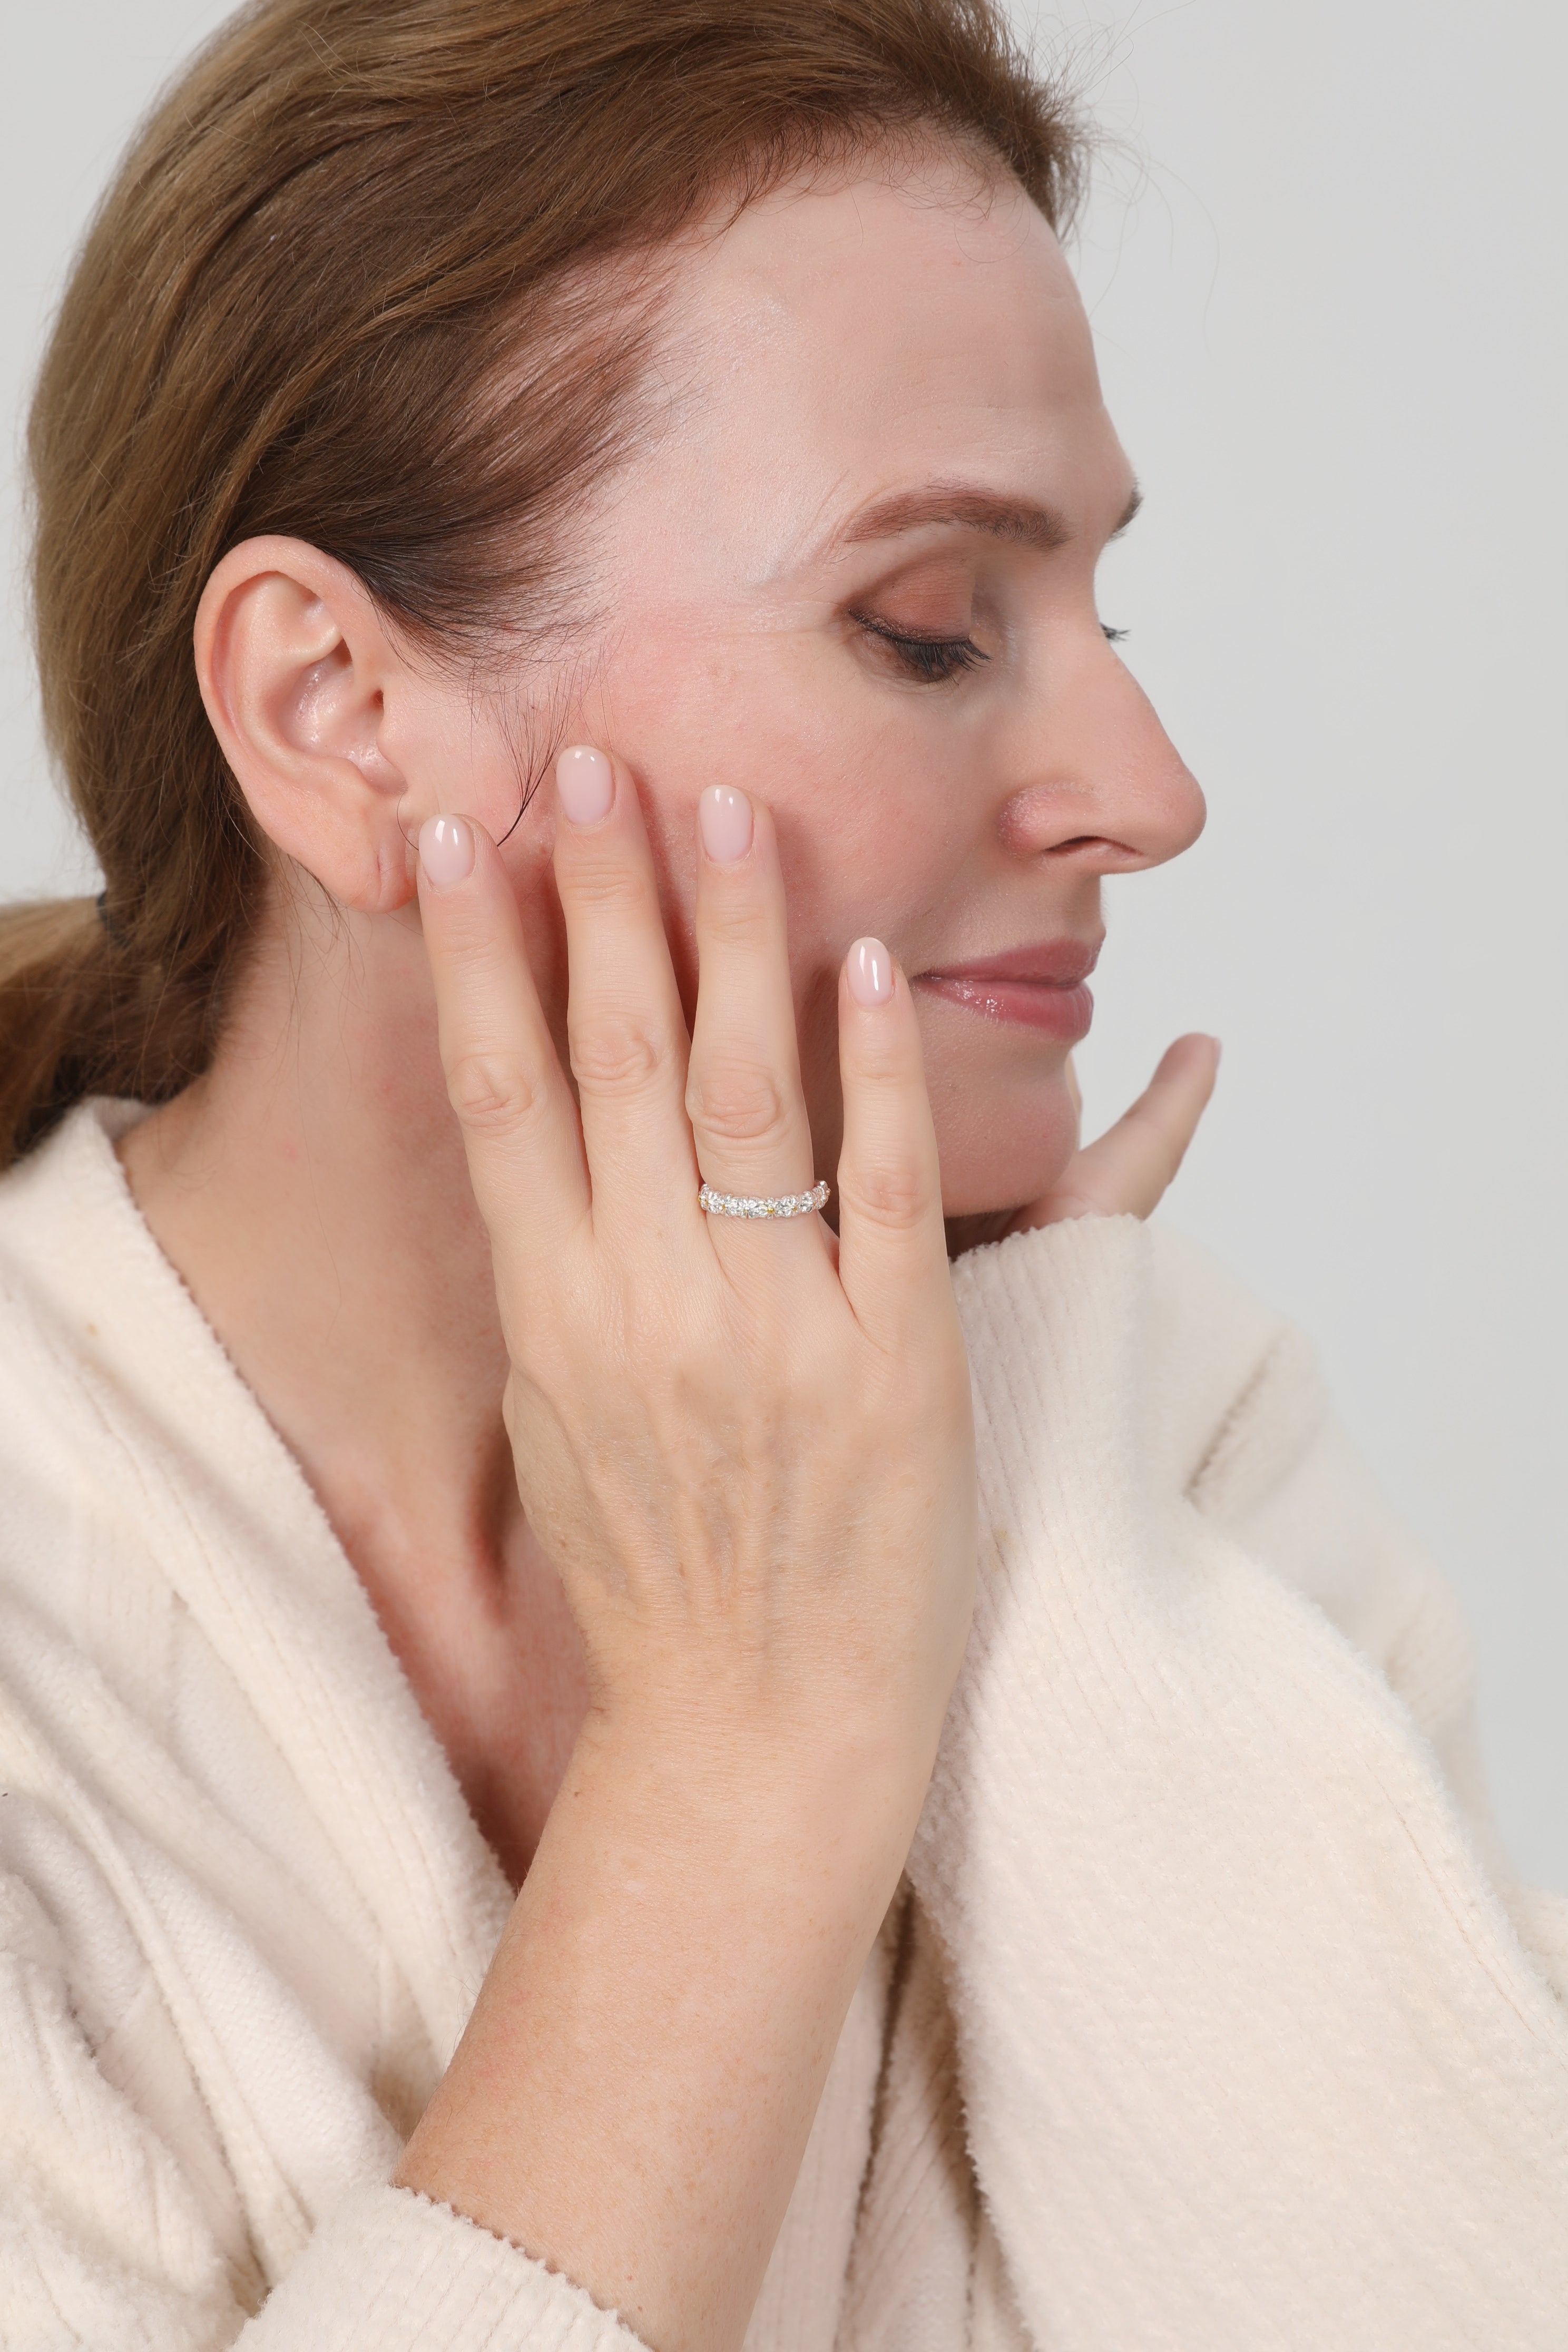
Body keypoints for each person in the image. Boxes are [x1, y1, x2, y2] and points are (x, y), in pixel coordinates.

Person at [0, 1, 1564, 2346]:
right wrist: (740, 1772)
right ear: (338, 714)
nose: (1148, 785)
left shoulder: (1164, 1430)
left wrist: (1040, 1531)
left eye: (1098, 613)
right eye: (929, 626)